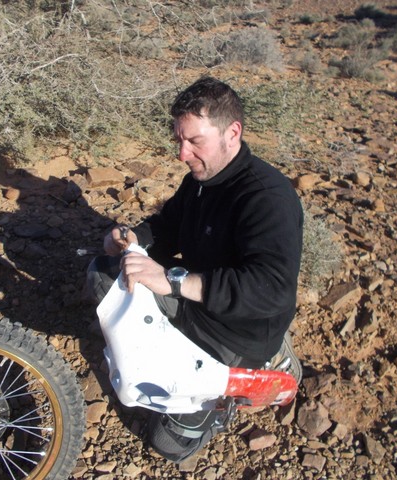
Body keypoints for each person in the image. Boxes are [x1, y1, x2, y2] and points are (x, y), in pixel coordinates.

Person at [87, 76, 304, 462]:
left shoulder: (267, 198)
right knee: (107, 274)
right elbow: (171, 224)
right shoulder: (204, 178)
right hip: (201, 302)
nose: (182, 154)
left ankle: (249, 376)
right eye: (179, 140)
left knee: (169, 444)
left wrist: (172, 281)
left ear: (232, 133)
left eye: (194, 141)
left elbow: (272, 288)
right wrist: (134, 238)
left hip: (235, 334)